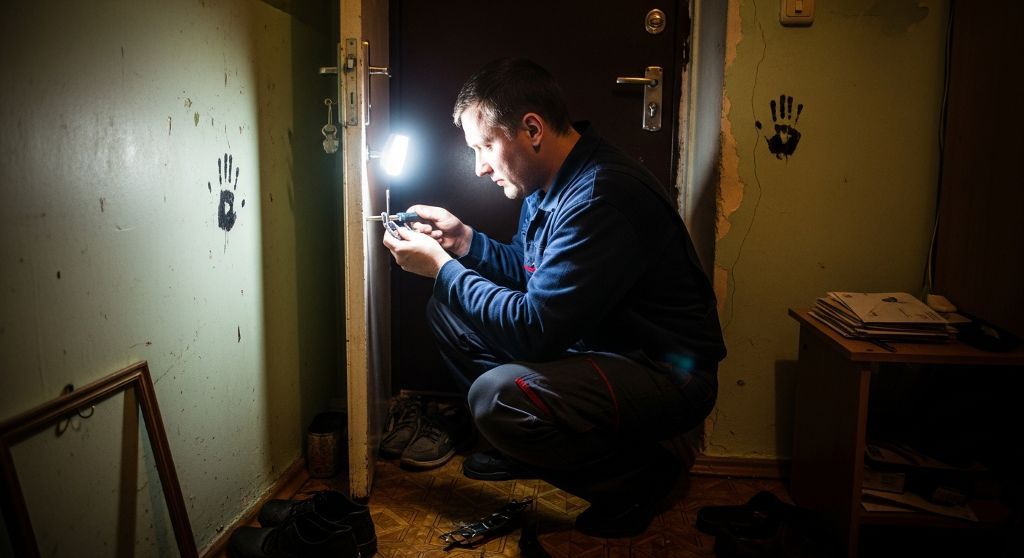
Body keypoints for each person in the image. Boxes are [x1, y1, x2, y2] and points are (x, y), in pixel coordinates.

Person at [382, 58, 726, 538]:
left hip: (665, 373)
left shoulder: (600, 197)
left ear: (532, 129)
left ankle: (635, 478)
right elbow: (534, 277)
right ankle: (534, 449)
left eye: (485, 146)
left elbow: (534, 330)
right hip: (599, 347)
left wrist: (442, 268)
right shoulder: (548, 182)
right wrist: (464, 243)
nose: (480, 167)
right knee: (448, 311)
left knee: (496, 399)